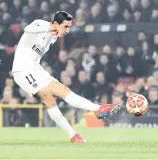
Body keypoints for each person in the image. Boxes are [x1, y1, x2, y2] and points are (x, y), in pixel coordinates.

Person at [12, 11, 120, 143]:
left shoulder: (54, 37)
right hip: (22, 70)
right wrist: (48, 28)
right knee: (48, 98)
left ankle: (96, 110)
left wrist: (54, 31)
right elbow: (28, 28)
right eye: (66, 27)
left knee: (64, 91)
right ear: (56, 24)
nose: (68, 30)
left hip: (36, 68)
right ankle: (74, 133)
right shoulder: (40, 24)